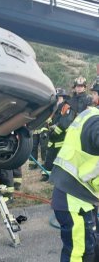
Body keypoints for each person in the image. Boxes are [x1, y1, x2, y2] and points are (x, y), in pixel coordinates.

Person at [50, 102, 99, 261]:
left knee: (91, 246)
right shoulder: (95, 122)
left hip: (81, 196)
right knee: (79, 253)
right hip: (73, 200)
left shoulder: (90, 115)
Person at [42, 88, 70, 181]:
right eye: (58, 98)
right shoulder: (55, 108)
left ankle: (57, 177)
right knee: (49, 156)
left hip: (61, 138)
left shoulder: (66, 107)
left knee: (59, 159)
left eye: (60, 97)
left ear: (64, 98)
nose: (59, 99)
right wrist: (46, 129)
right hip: (52, 138)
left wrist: (55, 131)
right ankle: (46, 175)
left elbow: (64, 122)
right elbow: (49, 120)